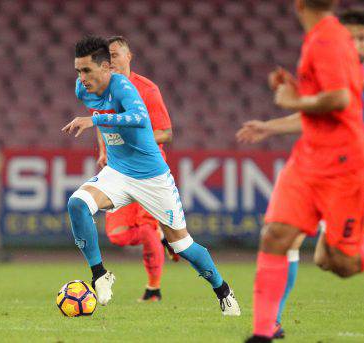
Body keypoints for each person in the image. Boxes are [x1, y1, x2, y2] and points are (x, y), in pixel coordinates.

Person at [237, 1, 364, 341]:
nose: (357, 42)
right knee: (276, 235)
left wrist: (292, 100)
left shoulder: (329, 40)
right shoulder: (323, 38)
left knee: (342, 262)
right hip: (311, 158)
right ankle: (262, 334)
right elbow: (325, 105)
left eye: (363, 38)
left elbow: (340, 99)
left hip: (346, 168)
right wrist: (284, 111)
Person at [62, 36, 240, 315]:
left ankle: (223, 291)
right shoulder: (83, 89)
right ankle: (99, 274)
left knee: (182, 244)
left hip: (151, 178)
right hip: (118, 172)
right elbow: (103, 113)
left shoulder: (125, 87)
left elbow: (139, 118)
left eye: (86, 71)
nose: (81, 78)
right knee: (77, 204)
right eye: (78, 71)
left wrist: (94, 120)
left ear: (106, 67)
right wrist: (102, 144)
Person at [96, 35, 178, 302]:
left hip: (145, 170)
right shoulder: (103, 90)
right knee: (117, 235)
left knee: (145, 227)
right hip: (118, 171)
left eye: (116, 54)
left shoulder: (147, 90)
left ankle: (153, 289)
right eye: (107, 57)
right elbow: (102, 123)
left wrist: (133, 138)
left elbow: (165, 133)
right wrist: (104, 150)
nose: (111, 61)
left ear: (129, 57)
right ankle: (161, 234)